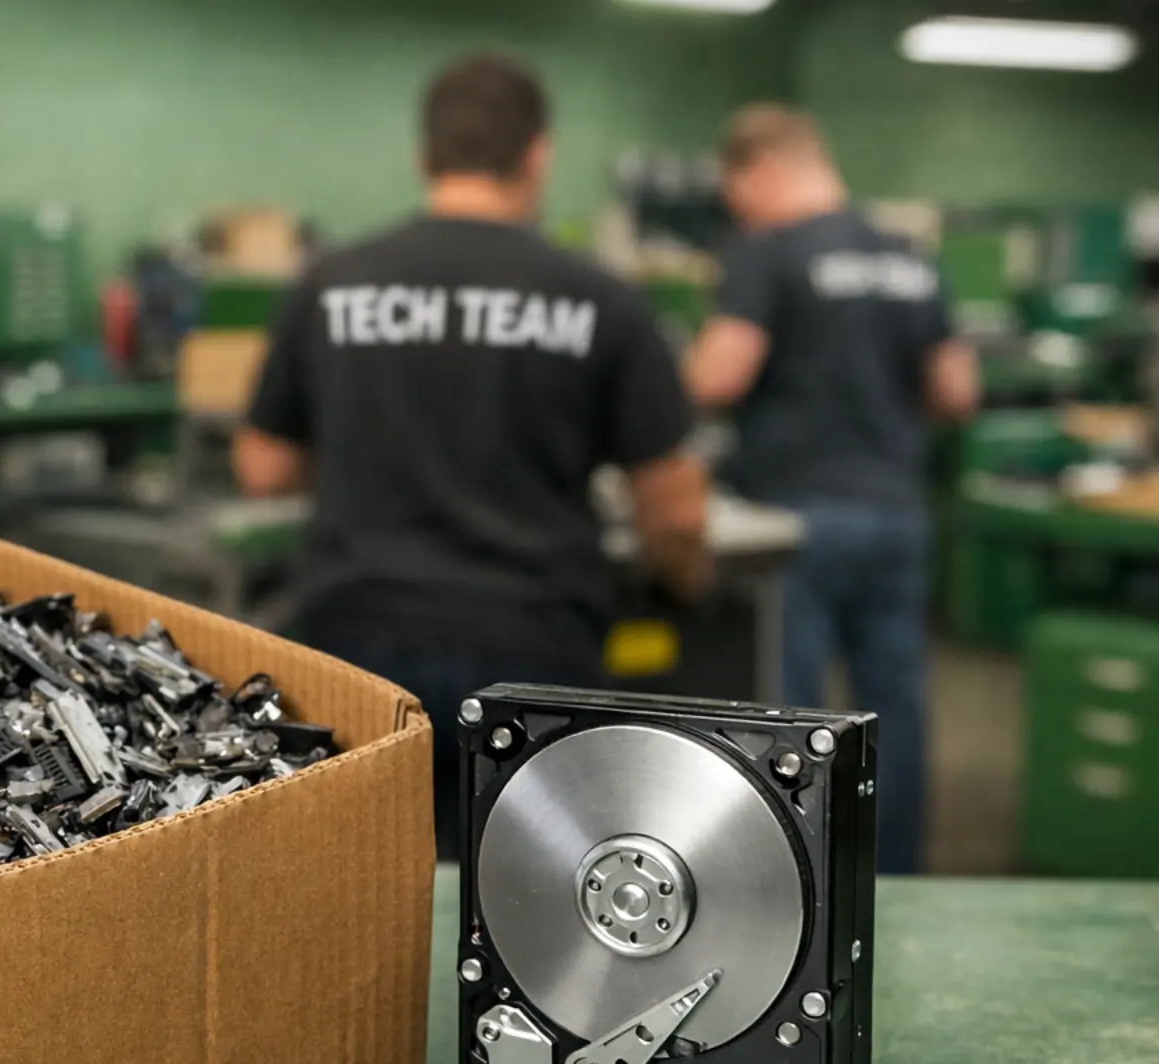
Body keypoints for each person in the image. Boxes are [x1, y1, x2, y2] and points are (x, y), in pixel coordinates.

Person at [234, 51, 710, 859]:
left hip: (359, 637)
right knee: (527, 903)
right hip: (535, 643)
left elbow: (264, 467)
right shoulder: (600, 300)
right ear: (537, 155)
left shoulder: (333, 284)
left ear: (425, 156)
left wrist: (370, 440)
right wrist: (683, 585)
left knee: (366, 892)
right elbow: (675, 508)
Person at [684, 105, 979, 875]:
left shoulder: (768, 252)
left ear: (763, 169)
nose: (739, 209)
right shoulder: (909, 254)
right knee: (895, 711)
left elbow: (720, 374)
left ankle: (800, 881)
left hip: (796, 521)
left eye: (737, 192)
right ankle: (897, 872)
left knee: (794, 714)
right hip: (896, 513)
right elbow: (956, 390)